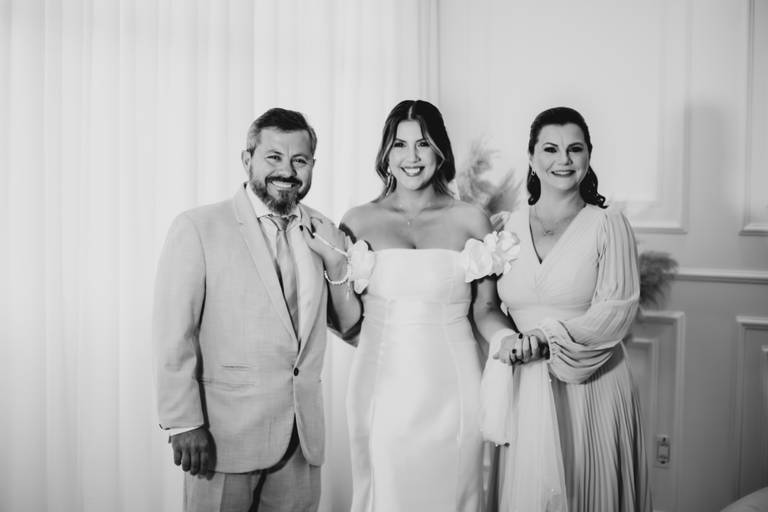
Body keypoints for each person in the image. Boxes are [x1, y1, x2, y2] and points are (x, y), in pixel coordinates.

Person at [303, 99, 523, 512]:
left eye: (423, 144)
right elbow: (348, 324)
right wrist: (333, 261)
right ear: (386, 155)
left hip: (454, 386)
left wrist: (507, 339)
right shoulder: (358, 221)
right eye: (400, 145)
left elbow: (485, 310)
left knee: (455, 493)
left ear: (440, 152)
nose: (412, 157)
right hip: (380, 385)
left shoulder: (470, 220)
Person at [153, 108, 337, 512]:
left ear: (313, 165)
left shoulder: (324, 230)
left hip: (301, 442)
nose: (287, 171)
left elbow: (345, 324)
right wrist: (184, 422)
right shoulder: (198, 227)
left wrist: (339, 264)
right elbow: (174, 332)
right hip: (221, 440)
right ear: (247, 159)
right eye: (274, 157)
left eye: (300, 160)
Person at [492, 106, 653, 511]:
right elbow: (486, 308)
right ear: (531, 157)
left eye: (574, 149)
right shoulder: (503, 227)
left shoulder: (608, 224)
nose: (563, 160)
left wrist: (546, 338)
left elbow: (615, 311)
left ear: (588, 156)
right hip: (523, 387)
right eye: (550, 149)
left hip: (592, 387)